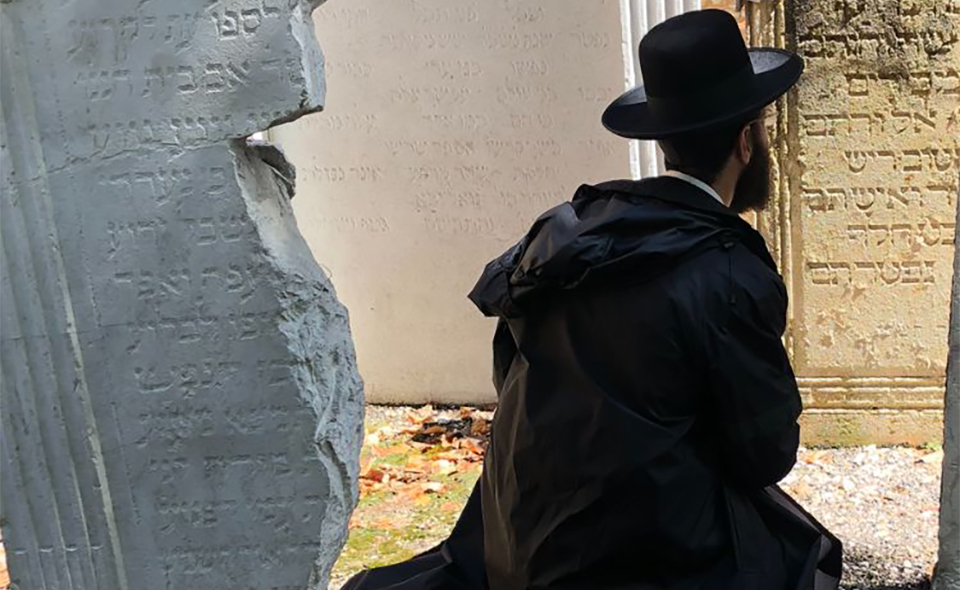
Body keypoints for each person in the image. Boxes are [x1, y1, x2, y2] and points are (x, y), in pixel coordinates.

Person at [342, 9, 842, 590]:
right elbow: (765, 453)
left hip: (518, 539)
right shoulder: (726, 267)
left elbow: (513, 378)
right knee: (805, 558)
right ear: (745, 142)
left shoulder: (567, 235)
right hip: (644, 558)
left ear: (663, 141)